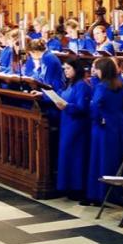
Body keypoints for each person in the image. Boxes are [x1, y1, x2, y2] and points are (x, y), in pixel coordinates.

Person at [85, 57, 123, 204]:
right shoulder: (121, 84)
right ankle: (114, 194)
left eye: (97, 69)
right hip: (120, 126)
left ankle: (99, 194)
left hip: (103, 127)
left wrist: (98, 119)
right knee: (115, 160)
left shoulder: (101, 86)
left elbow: (95, 105)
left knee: (100, 160)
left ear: (102, 71)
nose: (95, 72)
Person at [54, 59, 92, 200]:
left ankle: (77, 188)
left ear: (76, 69)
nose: (66, 71)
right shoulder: (69, 84)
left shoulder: (82, 85)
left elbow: (83, 107)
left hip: (77, 125)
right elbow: (59, 95)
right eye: (64, 69)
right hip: (67, 122)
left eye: (68, 68)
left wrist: (67, 107)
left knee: (76, 156)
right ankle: (66, 186)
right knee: (66, 154)